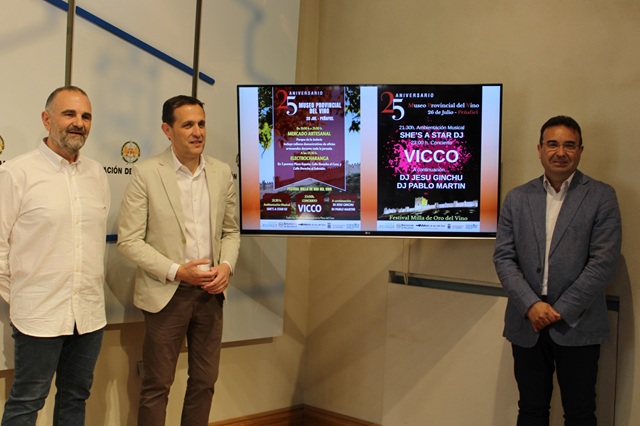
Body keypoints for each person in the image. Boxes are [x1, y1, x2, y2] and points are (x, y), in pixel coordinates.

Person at [117, 95, 240, 425]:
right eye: (187, 125)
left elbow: (231, 231)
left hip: (212, 294)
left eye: (201, 124)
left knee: (205, 382)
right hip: (166, 295)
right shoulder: (146, 173)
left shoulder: (221, 172)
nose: (197, 132)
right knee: (157, 385)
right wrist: (176, 271)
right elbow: (128, 240)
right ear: (167, 130)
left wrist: (226, 266)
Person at [493, 115, 622, 426]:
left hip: (578, 322)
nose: (560, 152)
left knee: (580, 414)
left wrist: (559, 310)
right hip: (527, 321)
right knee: (531, 410)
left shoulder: (601, 196)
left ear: (580, 150)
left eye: (569, 145)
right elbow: (504, 257)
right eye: (552, 144)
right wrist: (532, 305)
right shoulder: (517, 198)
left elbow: (604, 261)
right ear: (540, 149)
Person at [0, 86, 110, 425]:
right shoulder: (16, 173)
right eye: (69, 114)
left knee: (75, 398)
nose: (79, 123)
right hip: (38, 315)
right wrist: (24, 296)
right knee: (26, 402)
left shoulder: (97, 174)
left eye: (86, 116)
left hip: (88, 315)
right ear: (46, 119)